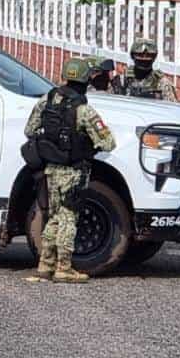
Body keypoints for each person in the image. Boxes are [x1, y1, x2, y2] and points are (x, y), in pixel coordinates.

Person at [23, 57, 116, 283]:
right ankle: (64, 267)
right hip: (73, 172)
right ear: (86, 80)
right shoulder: (83, 110)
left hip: (50, 170)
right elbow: (108, 142)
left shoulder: (48, 100)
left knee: (53, 217)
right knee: (68, 218)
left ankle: (45, 265)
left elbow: (30, 129)